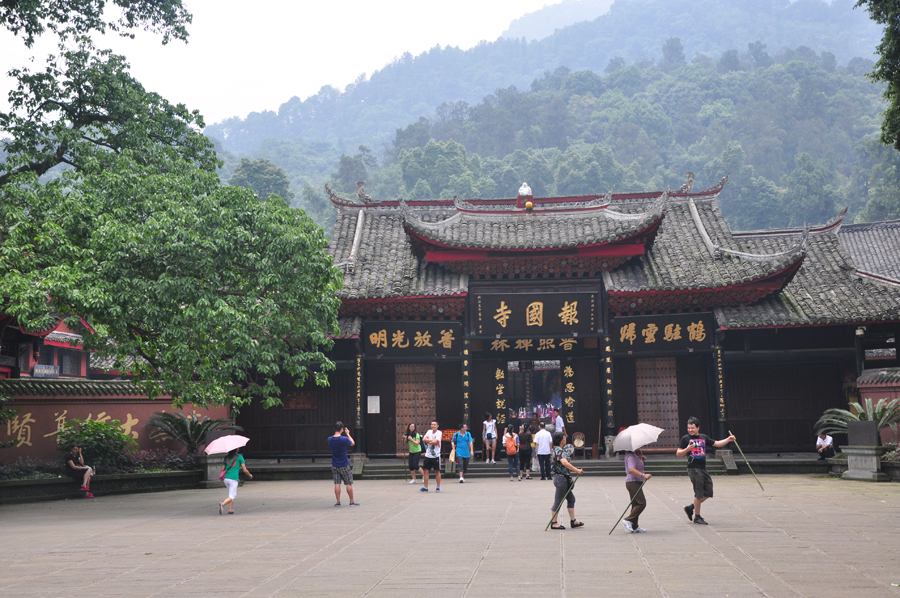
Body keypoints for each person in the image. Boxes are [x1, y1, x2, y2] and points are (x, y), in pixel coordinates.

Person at [675, 417, 735, 525]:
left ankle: (691, 507)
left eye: (692, 428)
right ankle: (697, 517)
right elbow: (678, 453)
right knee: (698, 492)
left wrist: (728, 439)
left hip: (703, 468)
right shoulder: (685, 439)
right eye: (688, 428)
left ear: (698, 427)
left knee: (708, 491)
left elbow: (716, 443)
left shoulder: (703, 437)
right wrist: (687, 449)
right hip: (693, 468)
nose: (690, 430)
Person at [549, 431, 584, 530]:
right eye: (564, 437)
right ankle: (554, 522)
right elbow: (564, 463)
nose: (565, 438)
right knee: (558, 501)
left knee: (571, 499)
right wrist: (577, 470)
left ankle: (574, 521)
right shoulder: (560, 451)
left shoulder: (556, 449)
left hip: (561, 478)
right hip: (561, 479)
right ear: (560, 440)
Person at [327, 421, 358, 506]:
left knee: (337, 483)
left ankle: (338, 501)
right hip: (344, 463)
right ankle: (352, 501)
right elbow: (352, 443)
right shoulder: (343, 439)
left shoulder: (329, 439)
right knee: (348, 482)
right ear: (341, 429)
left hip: (335, 464)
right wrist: (348, 434)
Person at [622, 449, 651, 533]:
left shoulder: (634, 456)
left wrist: (641, 460)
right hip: (632, 482)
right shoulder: (631, 456)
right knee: (642, 503)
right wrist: (643, 475)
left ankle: (634, 525)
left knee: (635, 504)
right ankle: (628, 520)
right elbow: (631, 469)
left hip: (636, 482)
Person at [219, 448, 252, 514]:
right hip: (233, 479)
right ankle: (222, 504)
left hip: (226, 478)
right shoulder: (240, 457)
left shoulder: (226, 457)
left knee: (231, 494)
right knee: (232, 495)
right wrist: (250, 475)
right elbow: (245, 470)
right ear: (237, 449)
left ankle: (230, 510)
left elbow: (222, 469)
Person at [421, 420, 442, 492]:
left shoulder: (439, 433)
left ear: (437, 426)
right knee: (425, 471)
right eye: (432, 424)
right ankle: (425, 486)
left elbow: (436, 442)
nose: (433, 426)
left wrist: (428, 440)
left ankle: (438, 486)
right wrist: (431, 441)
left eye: (434, 424)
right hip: (428, 455)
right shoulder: (429, 431)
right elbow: (423, 439)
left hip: (436, 455)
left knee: (437, 471)